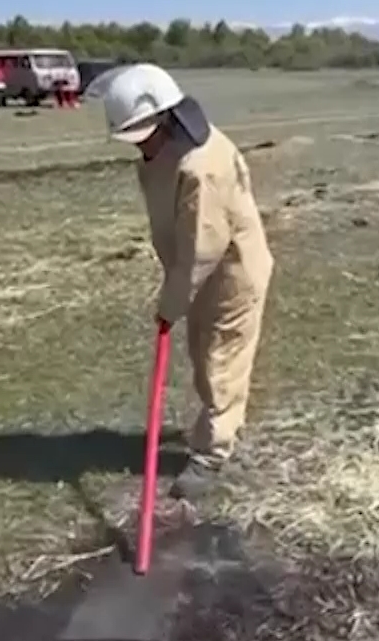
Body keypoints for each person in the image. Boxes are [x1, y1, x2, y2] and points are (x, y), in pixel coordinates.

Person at [87, 63, 273, 500]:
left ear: (165, 117)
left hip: (229, 274)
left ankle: (212, 452)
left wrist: (171, 301)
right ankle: (214, 422)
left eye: (143, 134)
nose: (140, 147)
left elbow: (203, 248)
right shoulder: (166, 149)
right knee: (202, 354)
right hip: (195, 274)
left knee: (219, 364)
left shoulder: (200, 167)